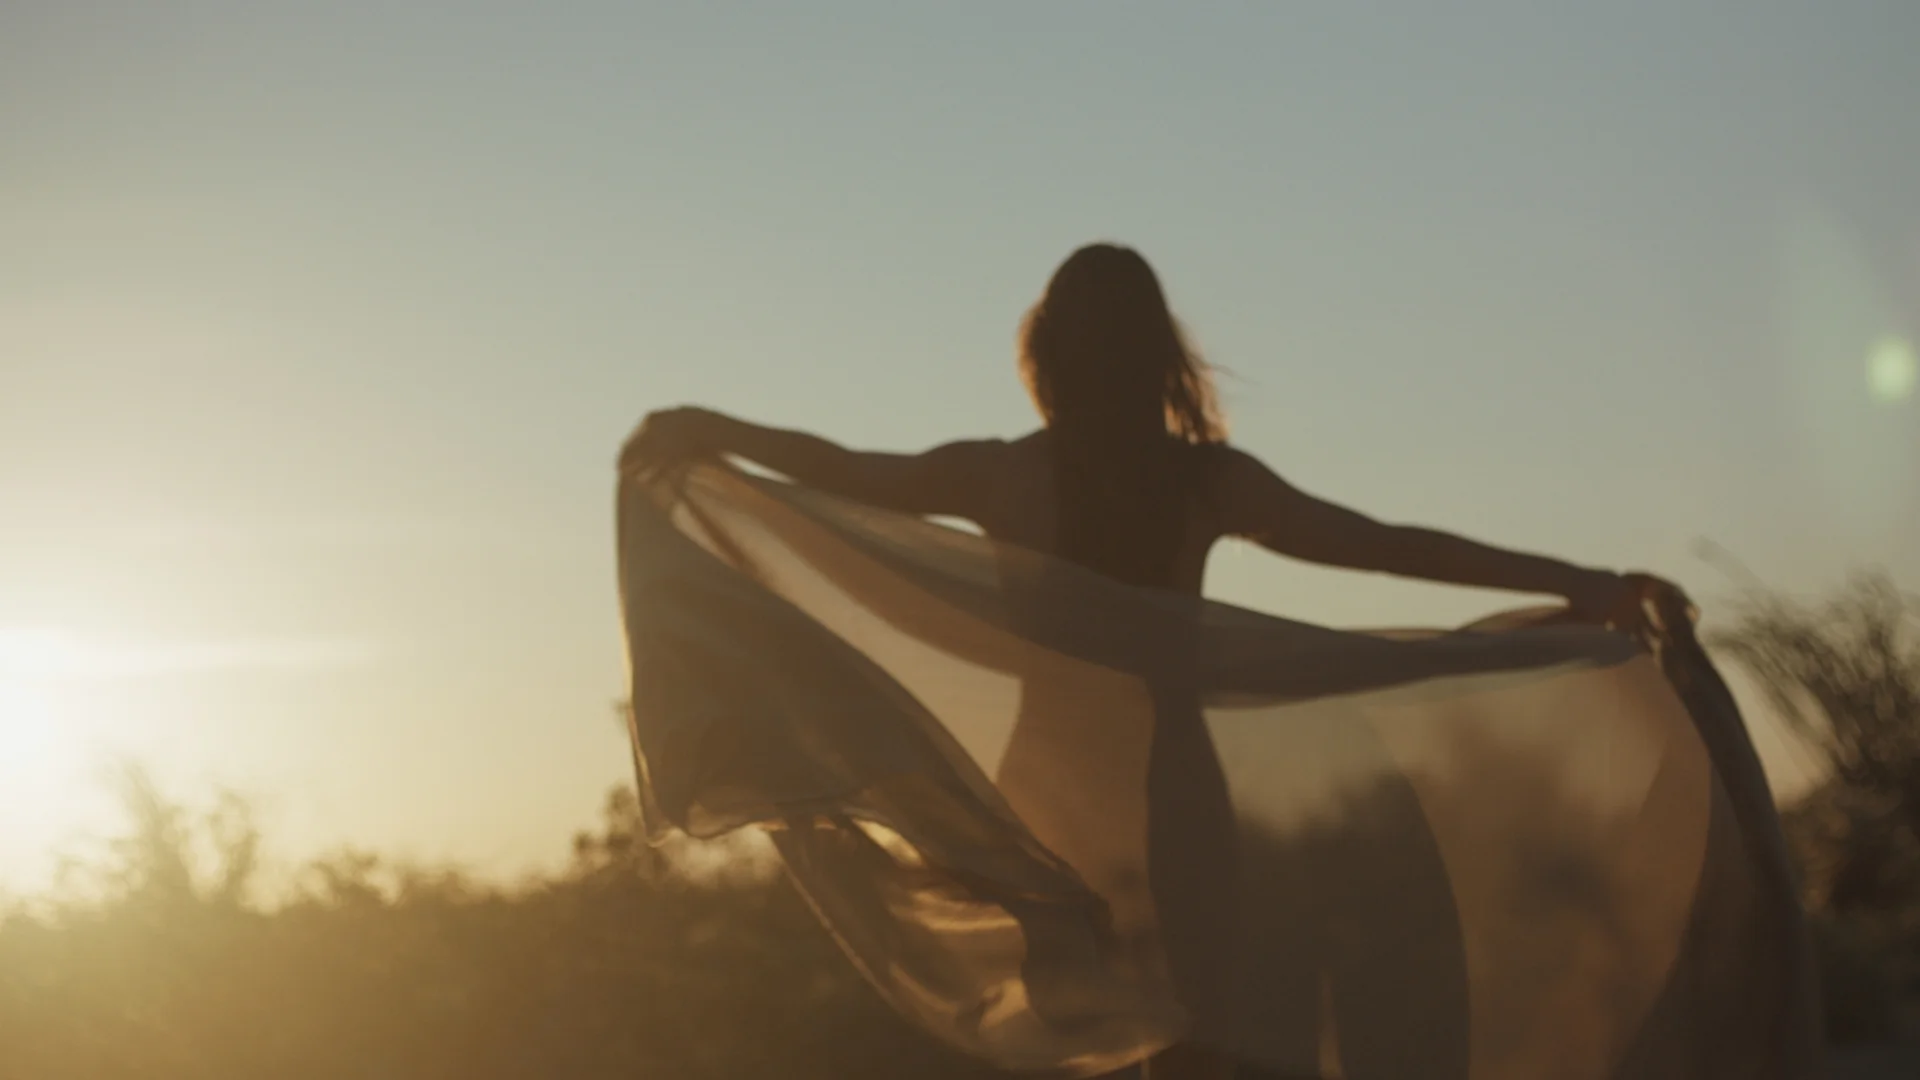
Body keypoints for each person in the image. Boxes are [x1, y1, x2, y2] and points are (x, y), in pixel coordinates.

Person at [620, 242, 1676, 1079]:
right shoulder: (1206, 485)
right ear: (1155, 354)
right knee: (1184, 1036)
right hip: (1172, 791)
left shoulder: (1004, 477)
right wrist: (1582, 584)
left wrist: (709, 427)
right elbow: (1387, 545)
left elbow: (842, 472)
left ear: (1051, 354)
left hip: (1047, 793)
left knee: (1098, 1029)